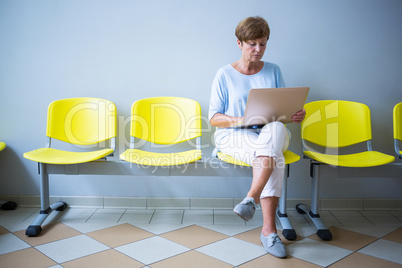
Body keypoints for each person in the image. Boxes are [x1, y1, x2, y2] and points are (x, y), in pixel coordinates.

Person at [208, 16, 305, 258]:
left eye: (263, 44)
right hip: (234, 135)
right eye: (252, 44)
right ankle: (269, 232)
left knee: (276, 129)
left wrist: (293, 114)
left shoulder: (274, 70)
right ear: (239, 43)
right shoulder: (224, 74)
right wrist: (243, 119)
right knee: (276, 158)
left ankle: (250, 199)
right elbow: (214, 118)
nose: (258, 50)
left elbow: (280, 110)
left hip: (270, 132)